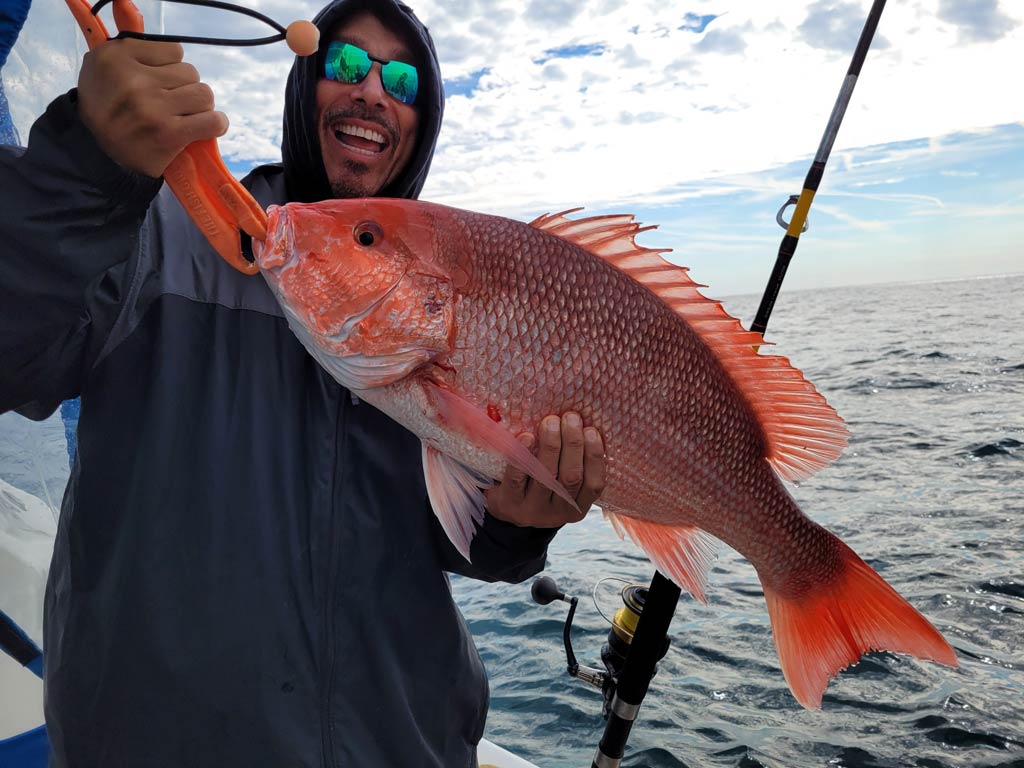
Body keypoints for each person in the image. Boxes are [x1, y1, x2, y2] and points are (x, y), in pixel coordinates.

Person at [0, 0, 606, 765]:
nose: (373, 92)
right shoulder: (157, 230)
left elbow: (451, 544)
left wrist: (517, 525)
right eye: (347, 66)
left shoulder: (444, 300)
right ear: (304, 85)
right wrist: (85, 170)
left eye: (403, 81)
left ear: (422, 124)